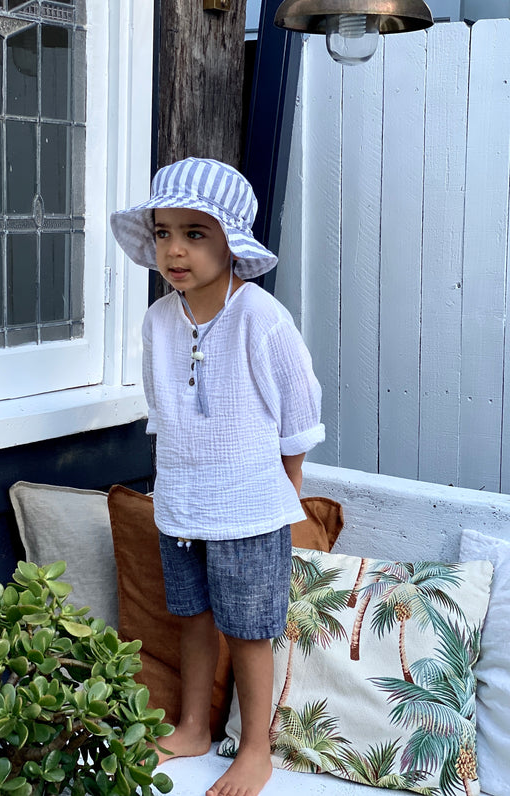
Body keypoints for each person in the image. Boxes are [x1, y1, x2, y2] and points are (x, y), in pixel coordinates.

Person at [110, 157, 324, 796]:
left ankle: (256, 748)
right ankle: (193, 727)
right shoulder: (159, 321)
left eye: (195, 233)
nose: (174, 250)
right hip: (181, 503)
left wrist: (285, 490)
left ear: (231, 240)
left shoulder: (261, 317)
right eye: (164, 232)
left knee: (249, 631)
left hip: (249, 508)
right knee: (193, 617)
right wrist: (172, 484)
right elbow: (163, 411)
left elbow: (299, 413)